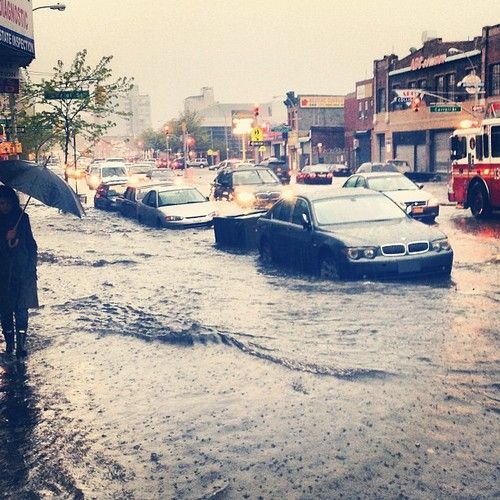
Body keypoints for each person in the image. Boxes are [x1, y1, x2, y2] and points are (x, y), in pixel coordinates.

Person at [0, 186, 38, 358]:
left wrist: (31, 268)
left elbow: (31, 245)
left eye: (7, 203)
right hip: (2, 274)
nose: (4, 206)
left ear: (13, 203)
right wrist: (6, 241)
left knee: (21, 309)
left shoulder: (23, 219)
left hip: (22, 271)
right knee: (5, 310)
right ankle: (9, 343)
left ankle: (21, 344)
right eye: (1, 203)